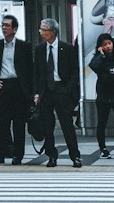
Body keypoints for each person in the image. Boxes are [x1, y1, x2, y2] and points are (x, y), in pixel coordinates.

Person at [0, 13, 32, 164]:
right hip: (3, 86)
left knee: (18, 122)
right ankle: (0, 154)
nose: (4, 28)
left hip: (18, 86)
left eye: (7, 26)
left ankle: (18, 155)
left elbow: (30, 70)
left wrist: (30, 91)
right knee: (1, 122)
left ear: (15, 29)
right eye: (3, 25)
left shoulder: (24, 46)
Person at [34, 17, 81, 168]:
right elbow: (36, 73)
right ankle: (51, 156)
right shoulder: (39, 49)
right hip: (45, 91)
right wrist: (36, 93)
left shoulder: (66, 48)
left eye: (44, 29)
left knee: (67, 124)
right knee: (48, 126)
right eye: (41, 29)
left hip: (62, 89)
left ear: (53, 32)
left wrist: (68, 89)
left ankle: (75, 156)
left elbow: (75, 70)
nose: (41, 32)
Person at [90, 32, 114, 157]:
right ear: (100, 47)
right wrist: (101, 56)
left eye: (109, 43)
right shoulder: (99, 59)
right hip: (103, 96)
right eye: (105, 45)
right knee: (102, 123)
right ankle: (103, 148)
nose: (108, 46)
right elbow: (93, 66)